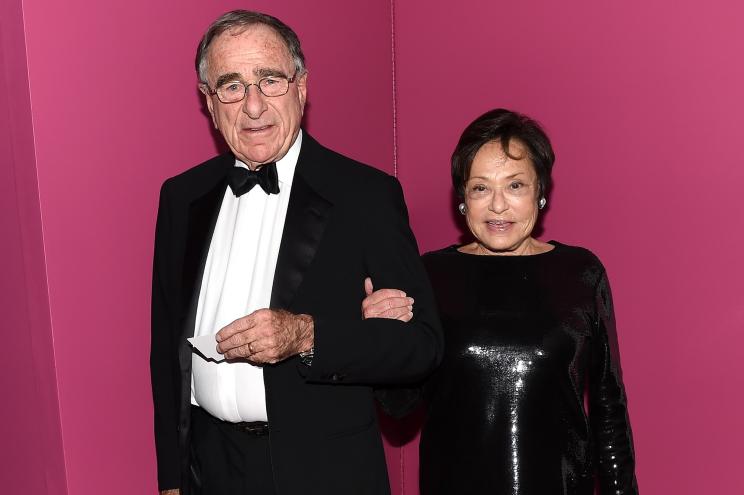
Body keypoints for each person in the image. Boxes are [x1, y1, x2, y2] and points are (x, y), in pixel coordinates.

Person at [150, 10, 442, 495]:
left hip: (324, 471)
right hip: (209, 470)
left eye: (270, 80)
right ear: (209, 102)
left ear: (301, 87)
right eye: (232, 85)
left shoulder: (365, 195)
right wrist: (171, 477)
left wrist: (308, 335)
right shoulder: (181, 197)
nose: (254, 105)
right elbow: (165, 348)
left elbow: (423, 348)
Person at [364, 109, 638, 494]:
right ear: (462, 198)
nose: (497, 206)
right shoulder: (430, 276)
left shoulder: (581, 274)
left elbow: (609, 413)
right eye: (480, 188)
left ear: (540, 192)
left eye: (515, 186)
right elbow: (398, 407)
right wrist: (383, 337)